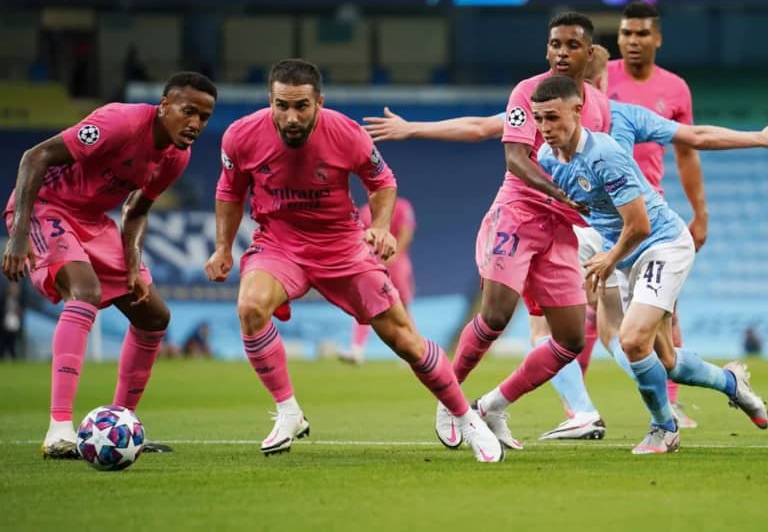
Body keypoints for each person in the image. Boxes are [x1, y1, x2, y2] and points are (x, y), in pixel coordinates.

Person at [203, 58, 502, 462]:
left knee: (405, 341)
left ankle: (466, 418)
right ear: (270, 101)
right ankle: (288, 412)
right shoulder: (240, 136)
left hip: (341, 245)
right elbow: (229, 191)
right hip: (279, 243)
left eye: (301, 106)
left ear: (319, 102)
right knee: (250, 307)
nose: (291, 117)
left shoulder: (346, 133)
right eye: (281, 106)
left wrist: (380, 226)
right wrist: (223, 247)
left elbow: (382, 182)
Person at [532, 74, 768, 453]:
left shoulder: (604, 154)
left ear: (577, 110)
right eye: (539, 119)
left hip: (662, 244)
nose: (545, 127)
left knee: (631, 340)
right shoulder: (546, 158)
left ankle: (664, 428)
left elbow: (640, 225)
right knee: (666, 360)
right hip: (625, 254)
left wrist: (608, 259)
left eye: (553, 117)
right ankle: (731, 383)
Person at [420, 12, 611, 452]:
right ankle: (450, 400)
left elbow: (596, 161)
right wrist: (562, 193)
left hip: (560, 228)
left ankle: (492, 406)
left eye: (572, 45)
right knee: (496, 315)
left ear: (588, 53)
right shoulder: (527, 92)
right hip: (518, 215)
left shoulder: (600, 106)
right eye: (555, 44)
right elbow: (516, 158)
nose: (562, 52)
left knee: (570, 339)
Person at [2, 71, 217, 458]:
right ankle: (59, 430)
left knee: (154, 316)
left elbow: (137, 209)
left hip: (92, 221)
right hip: (45, 207)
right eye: (188, 111)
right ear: (164, 105)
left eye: (204, 117)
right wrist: (18, 235)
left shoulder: (176, 157)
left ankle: (120, 427)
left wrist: (133, 265)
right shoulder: (119, 122)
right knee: (85, 291)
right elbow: (35, 156)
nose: (195, 124)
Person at [609, 1, 705, 428]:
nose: (633, 41)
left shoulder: (676, 89)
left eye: (642, 34)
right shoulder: (600, 78)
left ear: (658, 39)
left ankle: (672, 400)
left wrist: (700, 212)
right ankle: (581, 412)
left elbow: (687, 153)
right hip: (600, 214)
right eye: (626, 33)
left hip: (650, 216)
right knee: (589, 314)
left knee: (665, 311)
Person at [338, 196, 416, 365]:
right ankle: (357, 349)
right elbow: (358, 237)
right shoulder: (364, 211)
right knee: (365, 305)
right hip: (373, 264)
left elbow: (407, 231)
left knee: (402, 306)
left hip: (397, 264)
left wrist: (395, 254)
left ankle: (413, 350)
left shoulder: (402, 206)